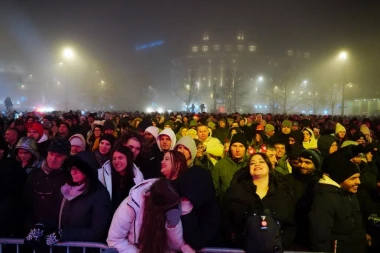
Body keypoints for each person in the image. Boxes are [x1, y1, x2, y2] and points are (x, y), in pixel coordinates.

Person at [221, 153, 296, 249]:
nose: (257, 164)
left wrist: (280, 243)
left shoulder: (282, 194)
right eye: (252, 163)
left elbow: (290, 224)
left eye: (261, 162)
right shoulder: (235, 192)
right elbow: (225, 220)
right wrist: (237, 241)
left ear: (269, 167)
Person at [107, 178, 195, 253]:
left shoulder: (171, 206)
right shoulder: (130, 206)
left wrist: (172, 224)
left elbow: (175, 246)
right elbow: (114, 240)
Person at [43, 151, 111, 246]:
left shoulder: (100, 195)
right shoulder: (66, 189)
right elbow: (57, 217)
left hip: (84, 249)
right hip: (63, 248)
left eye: (77, 169)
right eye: (71, 168)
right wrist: (42, 226)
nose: (72, 172)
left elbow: (96, 231)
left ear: (87, 171)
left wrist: (64, 234)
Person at [162, 150, 221, 250]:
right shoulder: (160, 186)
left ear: (178, 163)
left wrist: (186, 208)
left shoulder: (189, 193)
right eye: (163, 159)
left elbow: (196, 240)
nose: (162, 162)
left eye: (167, 159)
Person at [309, 156, 367, 253]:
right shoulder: (324, 199)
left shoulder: (349, 193)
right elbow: (319, 236)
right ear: (340, 178)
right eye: (353, 178)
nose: (358, 182)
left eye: (358, 177)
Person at [23, 138, 71, 239]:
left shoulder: (69, 178)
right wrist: (31, 227)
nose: (53, 158)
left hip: (57, 236)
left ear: (66, 157)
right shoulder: (34, 175)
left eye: (59, 156)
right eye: (51, 154)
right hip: (33, 232)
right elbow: (26, 203)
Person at [98, 145, 144, 213]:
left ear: (128, 159)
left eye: (120, 158)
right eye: (114, 158)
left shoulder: (137, 178)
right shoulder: (103, 176)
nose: (116, 162)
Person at [212, 133, 249, 201]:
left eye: (241, 146)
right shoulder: (220, 165)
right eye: (234, 146)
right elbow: (214, 189)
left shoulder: (251, 164)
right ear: (230, 148)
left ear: (245, 148)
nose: (237, 150)